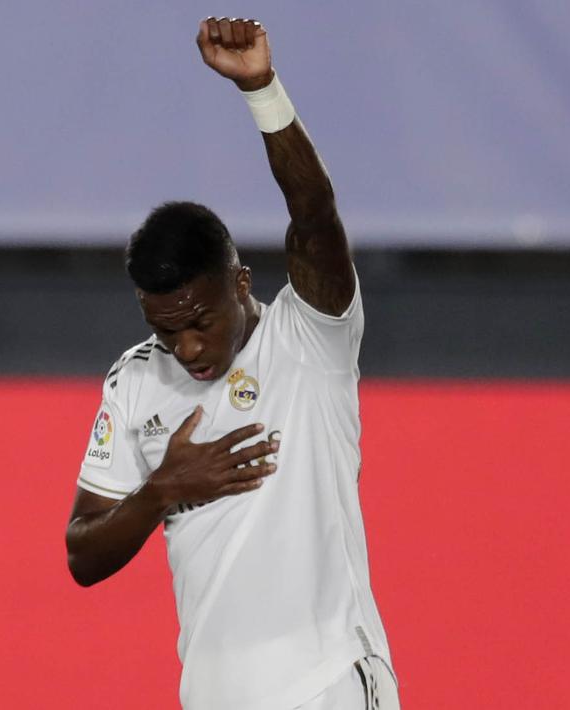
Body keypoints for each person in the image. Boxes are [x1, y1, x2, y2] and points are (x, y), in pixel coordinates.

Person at [65, 17, 400, 710]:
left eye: (200, 322)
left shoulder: (309, 338)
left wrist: (262, 93)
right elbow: (82, 555)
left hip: (328, 685)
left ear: (240, 283)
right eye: (166, 332)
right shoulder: (134, 382)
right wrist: (160, 491)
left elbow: (314, 215)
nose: (186, 349)